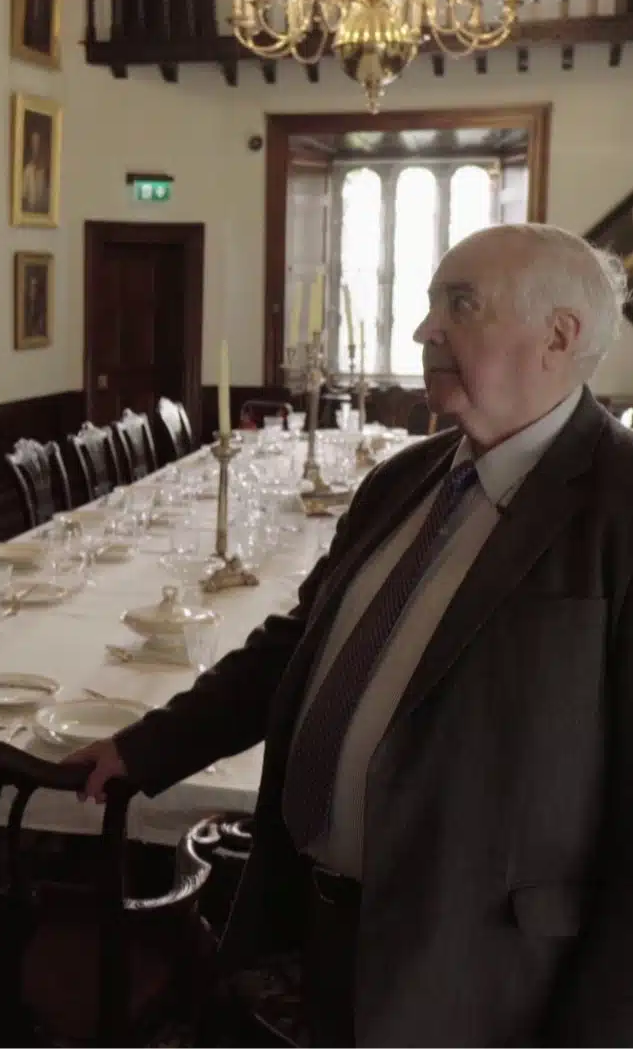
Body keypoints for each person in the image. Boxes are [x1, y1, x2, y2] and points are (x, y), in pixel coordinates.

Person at [69, 223, 633, 1046]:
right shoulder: (403, 479)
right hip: (321, 923)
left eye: (458, 304)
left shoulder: (618, 508)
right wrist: (146, 747)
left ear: (557, 334)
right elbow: (295, 646)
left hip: (486, 970)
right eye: (430, 302)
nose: (422, 330)